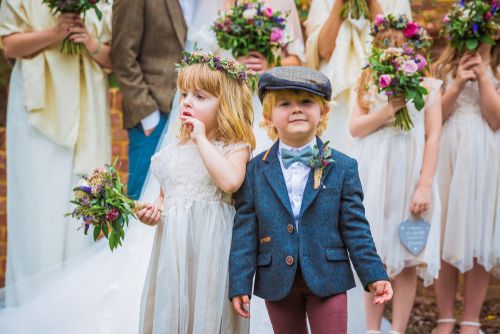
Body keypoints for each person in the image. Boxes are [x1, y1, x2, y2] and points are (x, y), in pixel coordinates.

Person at [229, 66, 392, 334]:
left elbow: (356, 228)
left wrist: (374, 275)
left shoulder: (343, 167)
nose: (296, 109)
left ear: (323, 112)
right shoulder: (254, 171)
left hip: (329, 277)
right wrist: (239, 283)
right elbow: (245, 231)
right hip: (278, 281)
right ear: (268, 117)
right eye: (285, 104)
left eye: (306, 101)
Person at [0, 0, 112, 306]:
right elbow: (9, 46)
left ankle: (74, 310)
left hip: (89, 110)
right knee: (37, 216)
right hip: (38, 112)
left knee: (82, 214)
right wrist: (56, 32)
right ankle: (30, 310)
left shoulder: (104, 3)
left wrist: (88, 42)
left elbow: (116, 57)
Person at [135, 51, 255, 334]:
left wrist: (200, 138)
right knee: (173, 311)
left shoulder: (235, 147)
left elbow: (229, 183)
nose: (188, 101)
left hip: (213, 249)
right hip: (174, 253)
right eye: (185, 93)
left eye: (200, 96)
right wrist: (152, 213)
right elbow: (166, 197)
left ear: (225, 104)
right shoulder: (170, 154)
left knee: (208, 314)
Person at [349, 16, 442, 333]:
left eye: (401, 45)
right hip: (375, 175)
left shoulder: (429, 86)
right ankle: (373, 328)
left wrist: (425, 185)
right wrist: (388, 111)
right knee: (374, 250)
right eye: (386, 45)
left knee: (407, 257)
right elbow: (355, 127)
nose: (394, 50)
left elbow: (433, 136)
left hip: (410, 176)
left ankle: (398, 329)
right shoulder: (367, 81)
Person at [431, 30, 500, 334]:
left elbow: (496, 119)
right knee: (445, 230)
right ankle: (445, 317)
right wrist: (458, 82)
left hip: (485, 156)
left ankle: (471, 319)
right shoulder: (441, 70)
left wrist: (484, 77)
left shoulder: (498, 71)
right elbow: (436, 117)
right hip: (447, 153)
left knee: (480, 232)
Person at [304, 0, 412, 154]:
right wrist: (340, 4)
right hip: (336, 90)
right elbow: (324, 50)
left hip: (380, 87)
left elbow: (395, 44)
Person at [111, 0, 187, 199]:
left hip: (189, 113)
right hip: (154, 113)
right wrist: (147, 114)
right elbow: (122, 56)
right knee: (141, 200)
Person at [223, 0, 306, 155]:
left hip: (268, 97)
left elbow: (297, 61)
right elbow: (214, 55)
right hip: (233, 96)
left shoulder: (284, 3)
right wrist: (234, 63)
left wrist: (271, 64)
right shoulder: (227, 4)